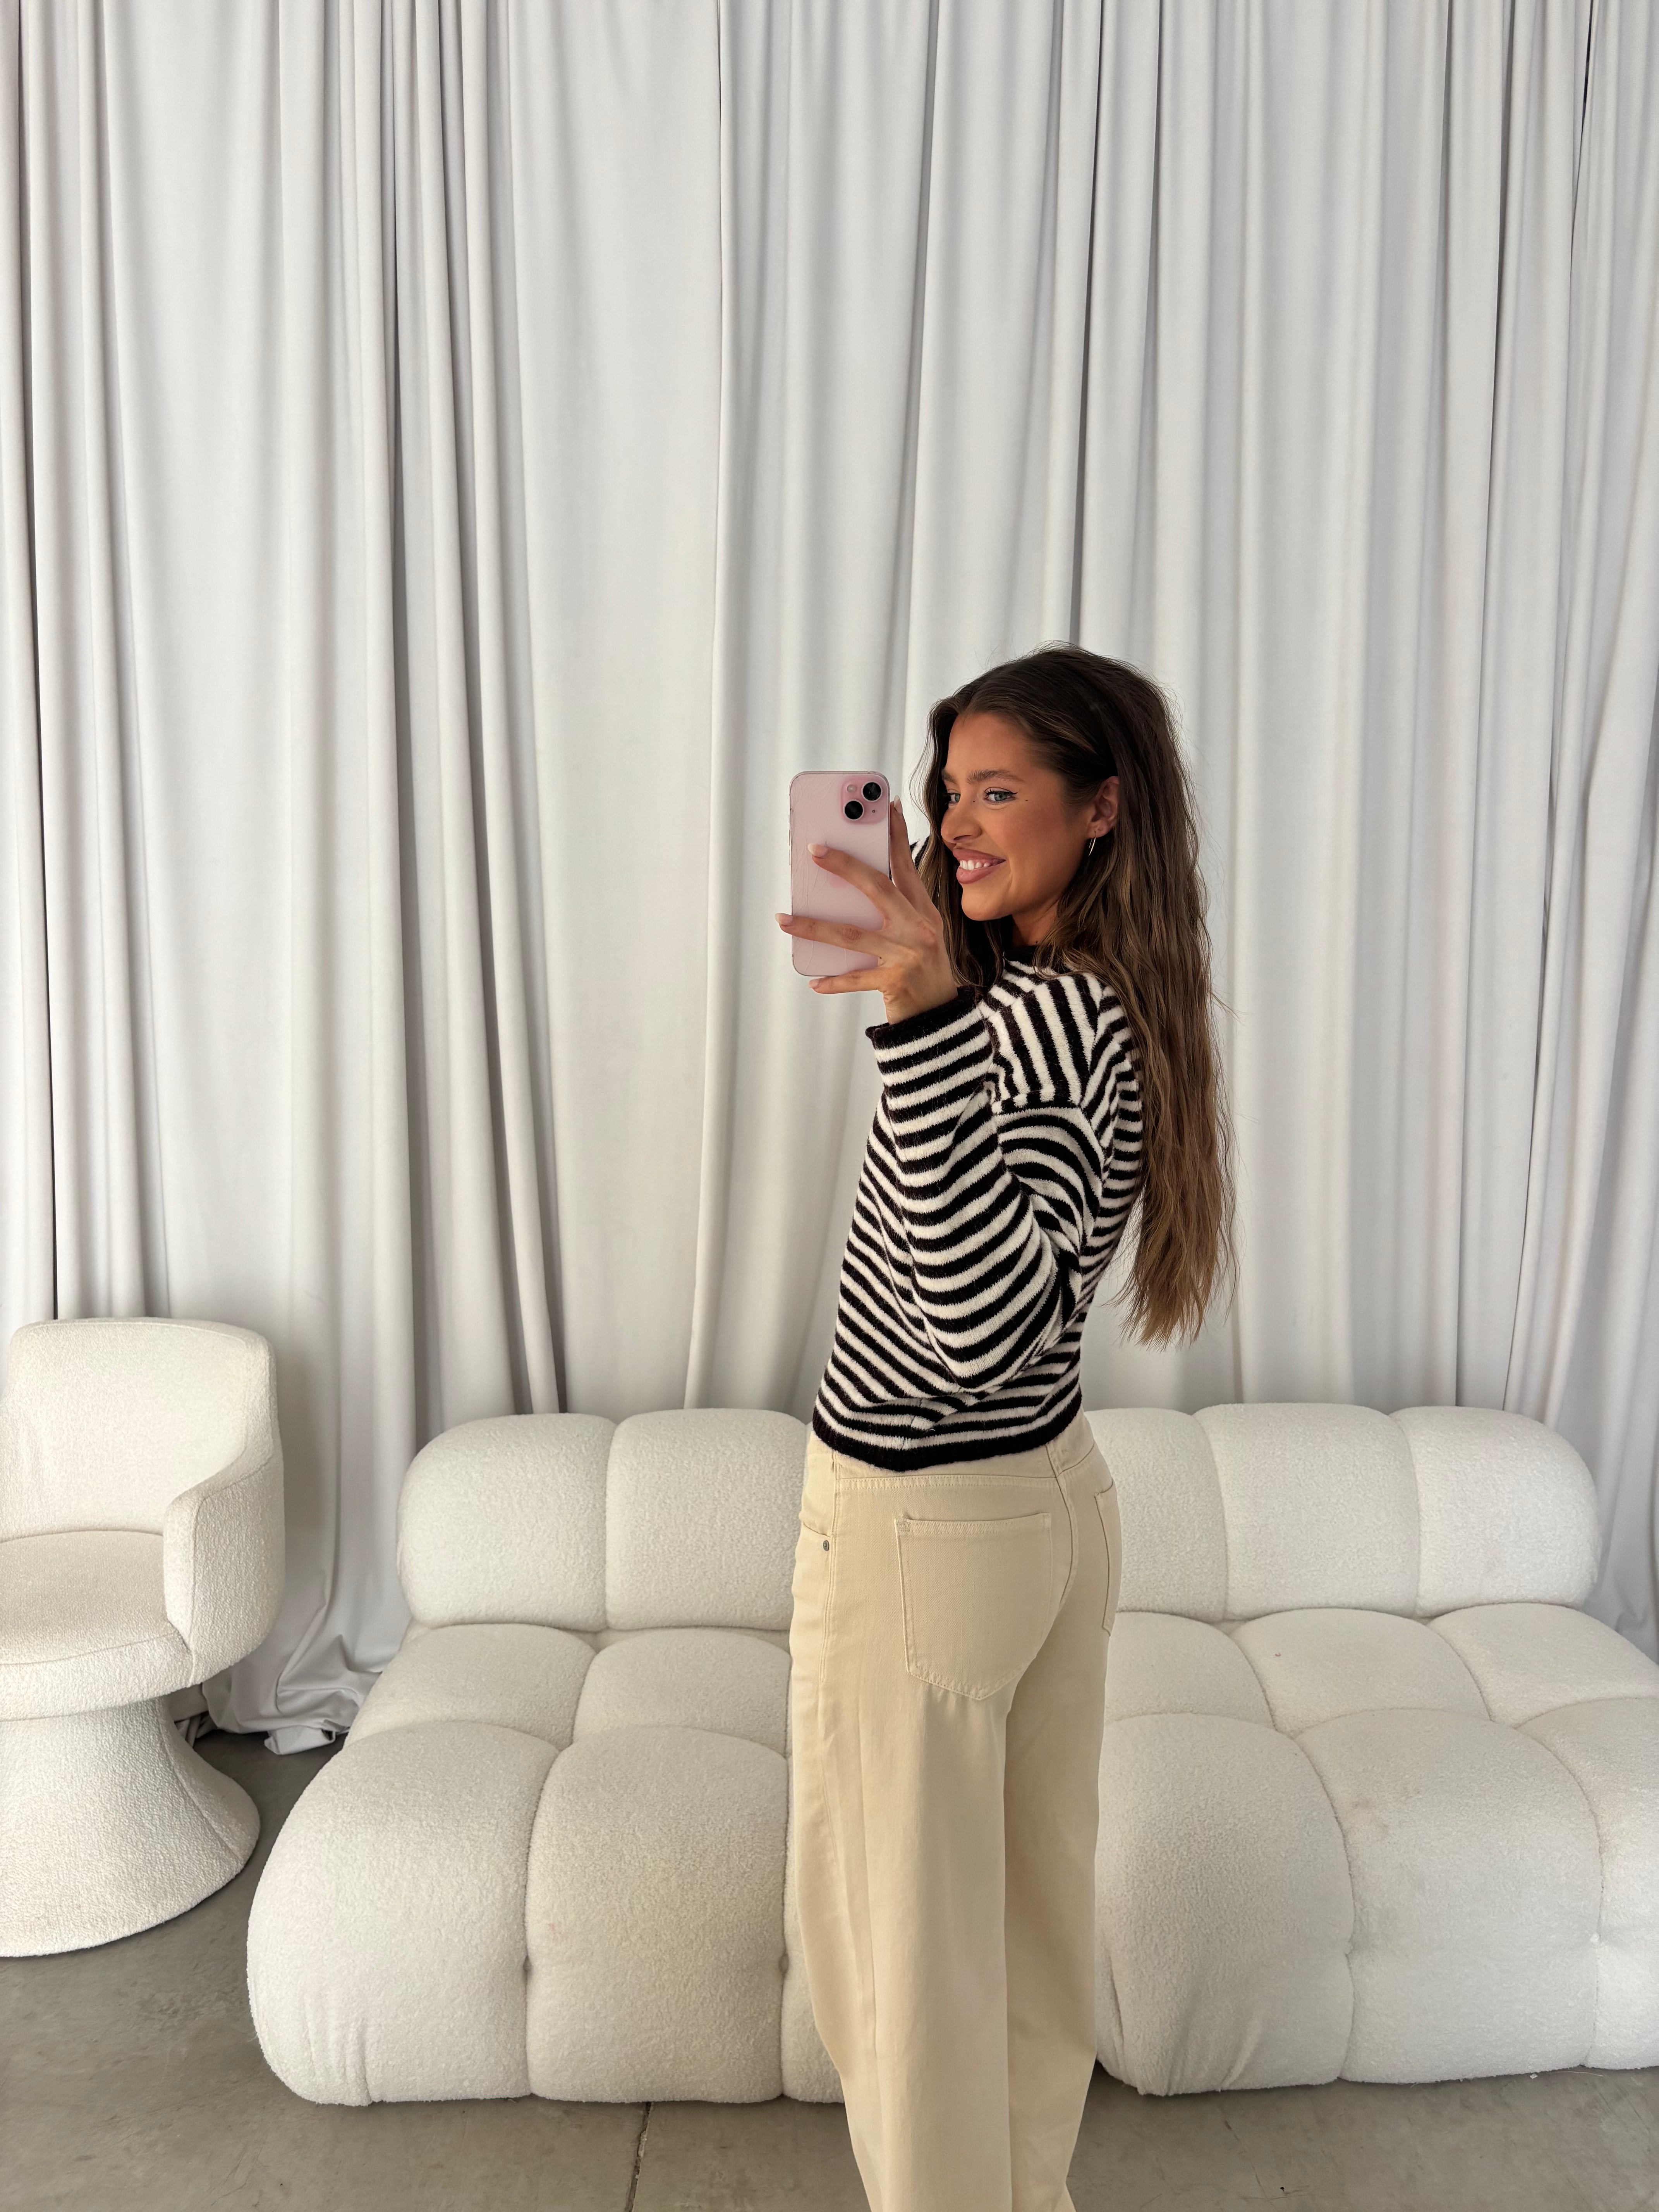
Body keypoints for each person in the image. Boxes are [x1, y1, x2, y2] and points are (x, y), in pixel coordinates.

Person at [773, 640, 1239, 2212]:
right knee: (1024, 1957)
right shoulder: (1096, 998)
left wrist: (918, 1019)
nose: (956, 824)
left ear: (1100, 809)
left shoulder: (1021, 1018)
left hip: (929, 1527)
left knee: (901, 1979)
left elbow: (978, 1332)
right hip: (1037, 1508)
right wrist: (939, 992)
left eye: (997, 792)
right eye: (946, 792)